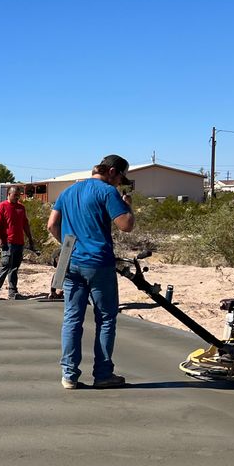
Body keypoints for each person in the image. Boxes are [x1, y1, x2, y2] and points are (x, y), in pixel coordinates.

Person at [46, 155, 135, 389]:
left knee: (72, 319)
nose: (119, 184)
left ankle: (69, 375)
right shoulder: (107, 192)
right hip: (98, 262)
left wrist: (67, 245)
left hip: (71, 259)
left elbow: (51, 224)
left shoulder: (68, 192)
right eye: (120, 178)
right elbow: (126, 225)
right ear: (113, 171)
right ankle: (103, 373)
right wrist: (127, 206)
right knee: (106, 318)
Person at [0, 186, 38, 300]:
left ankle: (13, 292)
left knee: (14, 267)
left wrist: (30, 239)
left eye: (18, 195)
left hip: (19, 242)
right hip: (7, 241)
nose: (17, 197)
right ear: (9, 194)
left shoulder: (21, 208)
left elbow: (25, 224)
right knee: (5, 265)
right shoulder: (2, 206)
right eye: (15, 195)